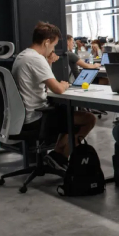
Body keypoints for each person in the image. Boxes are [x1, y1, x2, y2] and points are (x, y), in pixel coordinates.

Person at [12, 22, 96, 172]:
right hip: (36, 117)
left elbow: (43, 81)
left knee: (66, 113)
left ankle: (56, 156)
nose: (53, 49)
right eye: (53, 45)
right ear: (46, 42)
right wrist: (64, 84)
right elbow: (57, 88)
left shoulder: (24, 55)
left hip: (24, 116)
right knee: (89, 119)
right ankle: (60, 156)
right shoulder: (36, 59)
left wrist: (49, 62)